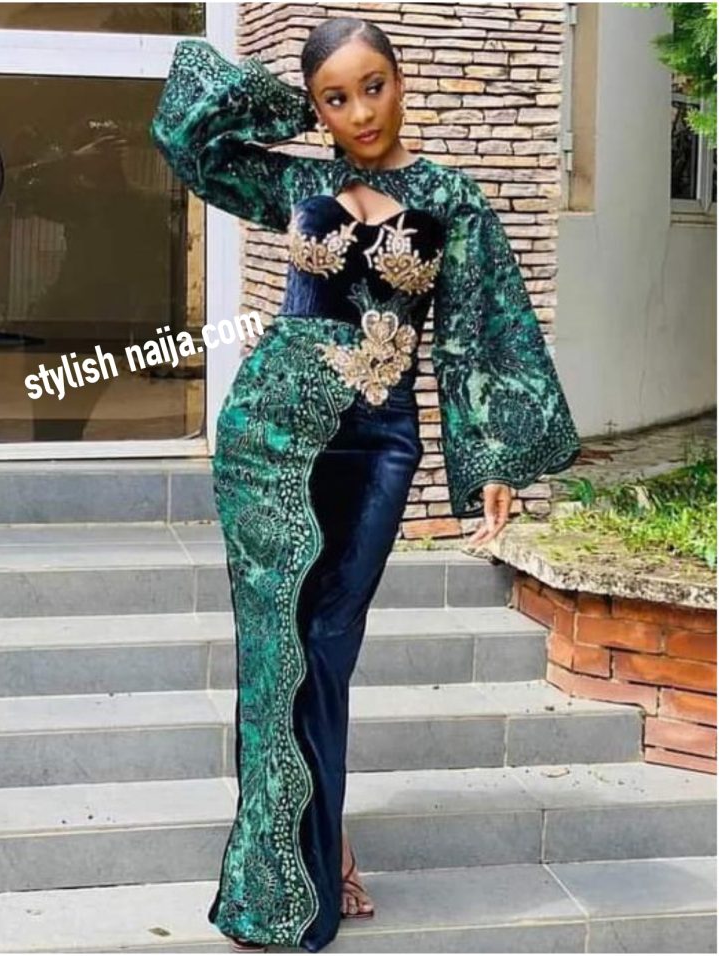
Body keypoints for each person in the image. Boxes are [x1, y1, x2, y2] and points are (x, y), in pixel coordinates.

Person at [150, 15, 581, 954]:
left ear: (400, 78)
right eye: (335, 98)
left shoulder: (451, 198)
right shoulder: (294, 182)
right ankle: (292, 873)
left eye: (372, 86)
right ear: (318, 108)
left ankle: (319, 837)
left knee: (328, 643)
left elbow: (479, 331)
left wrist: (491, 461)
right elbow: (186, 136)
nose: (360, 112)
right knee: (277, 651)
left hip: (378, 443)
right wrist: (278, 104)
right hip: (271, 438)